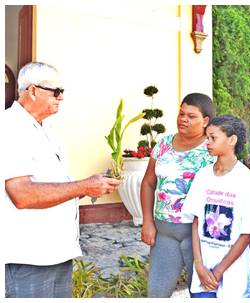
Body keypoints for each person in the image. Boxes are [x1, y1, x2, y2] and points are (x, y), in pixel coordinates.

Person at [3, 62, 120, 298]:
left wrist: (88, 188)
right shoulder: (9, 127)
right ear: (32, 91)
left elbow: (55, 186)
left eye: (62, 92)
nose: (61, 97)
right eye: (56, 91)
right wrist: (83, 185)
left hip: (57, 251)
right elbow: (21, 194)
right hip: (30, 256)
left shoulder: (47, 130)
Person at [140, 93, 217, 297]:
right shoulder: (163, 144)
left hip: (199, 235)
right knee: (156, 292)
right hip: (164, 233)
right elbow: (148, 183)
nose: (183, 119)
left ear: (205, 121)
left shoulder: (211, 149)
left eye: (191, 116)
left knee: (201, 294)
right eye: (181, 113)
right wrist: (147, 220)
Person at [182, 115, 250, 298]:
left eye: (213, 138)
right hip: (203, 275)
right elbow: (196, 221)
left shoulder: (247, 180)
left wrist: (219, 271)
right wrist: (199, 265)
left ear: (232, 140)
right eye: (206, 138)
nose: (207, 142)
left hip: (233, 275)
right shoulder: (202, 176)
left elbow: (248, 232)